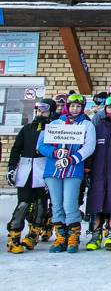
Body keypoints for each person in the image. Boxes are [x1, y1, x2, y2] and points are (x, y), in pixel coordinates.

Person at [37, 92, 96, 254]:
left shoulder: (86, 125)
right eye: (72, 106)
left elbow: (89, 146)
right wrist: (55, 153)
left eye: (78, 106)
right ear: (67, 107)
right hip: (53, 169)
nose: (75, 109)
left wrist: (72, 159)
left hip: (72, 169)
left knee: (70, 203)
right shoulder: (56, 122)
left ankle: (73, 236)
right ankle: (60, 236)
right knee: (56, 204)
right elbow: (41, 145)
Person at [6, 98, 54, 254]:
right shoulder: (27, 129)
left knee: (41, 204)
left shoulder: (54, 129)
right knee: (23, 204)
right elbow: (16, 149)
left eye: (44, 110)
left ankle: (34, 233)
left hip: (44, 169)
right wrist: (12, 168)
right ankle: (14, 236)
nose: (41, 113)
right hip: (26, 169)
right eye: (39, 110)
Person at [83, 96, 111, 251]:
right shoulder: (97, 126)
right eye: (109, 107)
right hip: (98, 171)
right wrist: (87, 169)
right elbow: (90, 148)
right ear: (105, 109)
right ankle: (96, 234)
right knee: (96, 202)